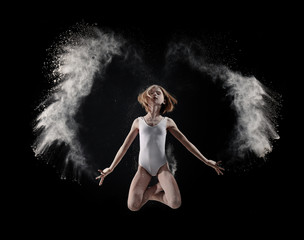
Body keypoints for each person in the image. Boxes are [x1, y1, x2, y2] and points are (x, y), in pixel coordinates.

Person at [96, 85, 224, 211]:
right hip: (143, 168)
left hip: (161, 167)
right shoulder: (138, 122)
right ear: (146, 99)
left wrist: (207, 161)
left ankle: (152, 192)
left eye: (158, 93)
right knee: (133, 206)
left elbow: (188, 144)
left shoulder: (167, 122)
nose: (155, 94)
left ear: (164, 100)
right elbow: (124, 147)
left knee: (175, 203)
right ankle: (155, 189)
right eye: (151, 93)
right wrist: (111, 168)